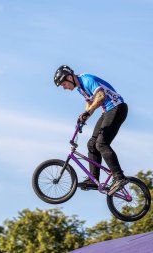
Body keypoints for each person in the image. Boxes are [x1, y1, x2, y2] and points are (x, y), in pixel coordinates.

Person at [54, 65, 128, 196]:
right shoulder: (80, 88)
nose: (64, 87)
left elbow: (100, 96)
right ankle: (94, 180)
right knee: (92, 144)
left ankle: (119, 177)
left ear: (70, 77)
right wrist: (83, 117)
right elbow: (89, 104)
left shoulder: (87, 80)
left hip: (117, 108)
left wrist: (88, 113)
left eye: (64, 84)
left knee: (101, 143)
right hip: (108, 110)